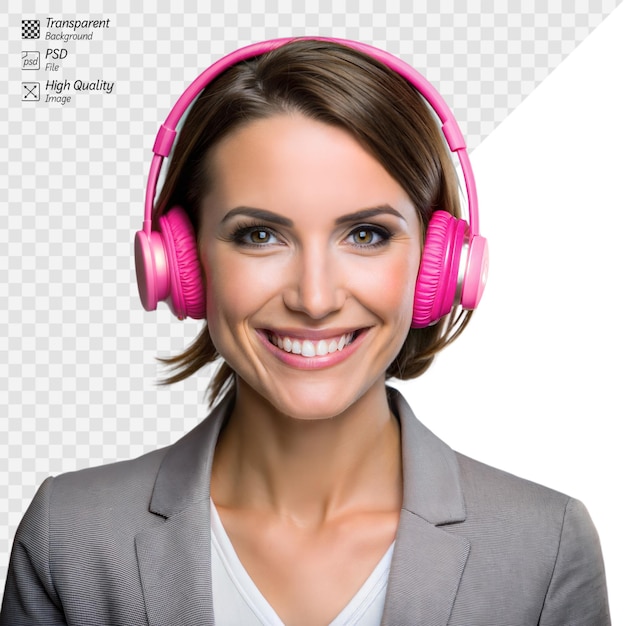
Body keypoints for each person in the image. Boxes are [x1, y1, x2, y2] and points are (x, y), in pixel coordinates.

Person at [1, 38, 610, 626]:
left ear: (440, 264)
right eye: (259, 235)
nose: (314, 299)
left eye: (366, 234)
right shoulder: (70, 536)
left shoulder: (544, 548)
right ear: (180, 264)